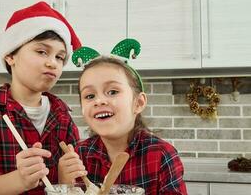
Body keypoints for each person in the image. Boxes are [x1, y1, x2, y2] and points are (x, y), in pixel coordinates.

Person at [0, 1, 84, 195]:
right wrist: (21, 180)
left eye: (60, 57)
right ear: (10, 56)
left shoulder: (63, 115)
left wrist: (67, 181)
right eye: (42, 52)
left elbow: (74, 185)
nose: (52, 63)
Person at [59, 51, 188, 194]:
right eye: (90, 96)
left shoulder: (161, 155)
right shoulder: (80, 155)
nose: (99, 100)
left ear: (138, 103)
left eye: (112, 92)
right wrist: (64, 185)